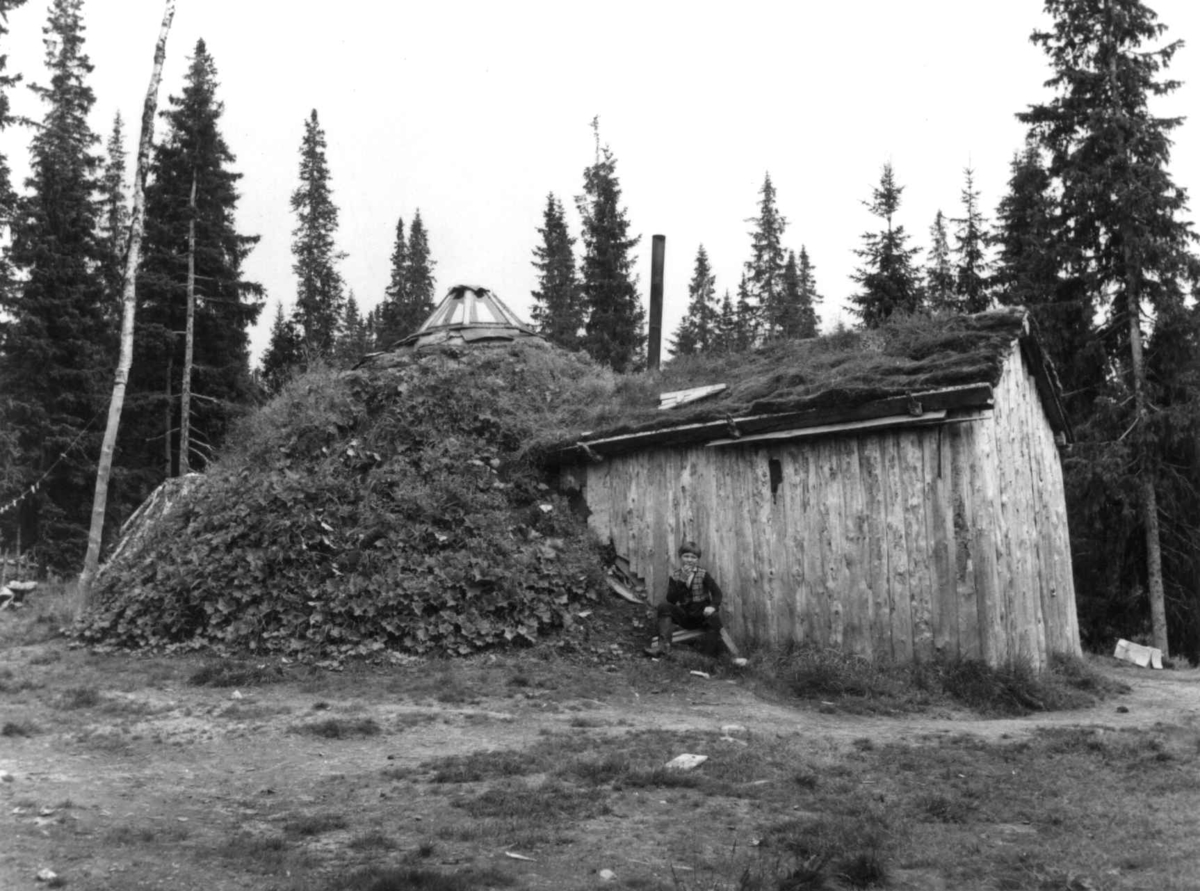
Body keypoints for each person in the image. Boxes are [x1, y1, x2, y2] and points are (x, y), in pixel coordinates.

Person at [646, 541, 726, 657]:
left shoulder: (703, 574)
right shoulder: (676, 576)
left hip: (701, 616)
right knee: (664, 606)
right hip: (685, 616)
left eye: (693, 557)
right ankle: (663, 647)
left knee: (714, 617)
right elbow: (671, 599)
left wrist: (713, 606)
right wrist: (681, 581)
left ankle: (707, 656)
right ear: (680, 557)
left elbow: (717, 593)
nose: (689, 560)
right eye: (686, 556)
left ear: (697, 560)